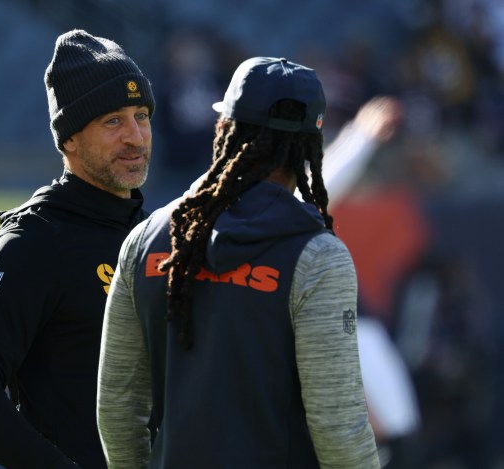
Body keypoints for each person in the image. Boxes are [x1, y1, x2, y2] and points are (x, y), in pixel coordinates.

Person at [97, 56, 380, 468]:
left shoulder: (146, 239)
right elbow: (338, 427)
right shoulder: (318, 256)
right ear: (309, 147)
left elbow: (118, 411)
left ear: (223, 128)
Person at [0, 29, 154, 468]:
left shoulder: (156, 233)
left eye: (142, 115)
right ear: (69, 139)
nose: (135, 136)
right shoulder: (35, 239)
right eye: (113, 121)